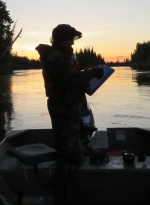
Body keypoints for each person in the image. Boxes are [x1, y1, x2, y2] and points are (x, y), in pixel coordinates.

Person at [35, 24, 104, 167]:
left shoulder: (62, 56)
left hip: (69, 108)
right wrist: (92, 73)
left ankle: (71, 178)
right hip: (64, 108)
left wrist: (82, 71)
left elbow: (69, 78)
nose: (72, 42)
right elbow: (71, 81)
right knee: (68, 153)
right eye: (70, 39)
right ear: (62, 39)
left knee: (73, 147)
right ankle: (64, 184)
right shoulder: (58, 58)